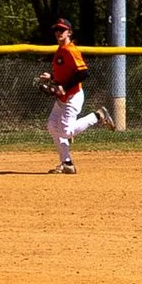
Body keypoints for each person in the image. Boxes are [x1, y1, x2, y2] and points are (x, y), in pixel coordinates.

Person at [41, 18, 112, 174]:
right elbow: (64, 76)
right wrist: (51, 80)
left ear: (69, 32)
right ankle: (67, 163)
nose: (58, 32)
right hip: (63, 98)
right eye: (56, 30)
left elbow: (83, 72)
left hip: (73, 96)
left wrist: (64, 88)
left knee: (66, 132)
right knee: (52, 126)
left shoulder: (70, 50)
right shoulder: (59, 51)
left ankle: (98, 116)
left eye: (62, 30)